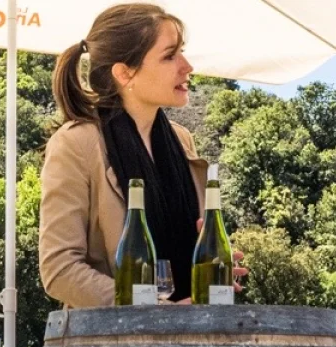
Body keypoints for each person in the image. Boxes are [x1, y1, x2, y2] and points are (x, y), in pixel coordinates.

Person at [37, 3, 244, 308]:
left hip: (189, 343)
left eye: (182, 52)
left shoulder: (182, 141)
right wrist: (152, 311)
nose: (186, 66)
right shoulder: (76, 144)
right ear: (124, 73)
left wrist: (212, 266)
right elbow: (59, 270)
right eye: (169, 56)